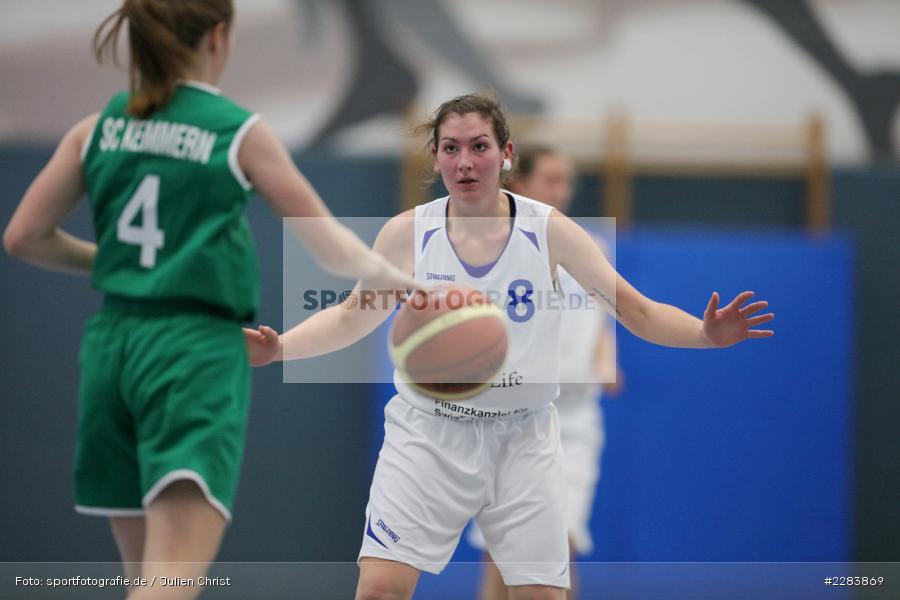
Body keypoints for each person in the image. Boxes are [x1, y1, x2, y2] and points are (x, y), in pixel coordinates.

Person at [246, 93, 774, 600]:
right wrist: (280, 349)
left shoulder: (550, 231)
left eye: (479, 145)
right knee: (381, 589)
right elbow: (349, 319)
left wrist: (705, 334)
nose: (466, 160)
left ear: (506, 154)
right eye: (451, 148)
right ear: (435, 158)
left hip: (523, 437)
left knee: (542, 593)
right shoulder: (408, 233)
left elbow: (637, 311)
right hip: (428, 433)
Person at [2, 1, 414, 599]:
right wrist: (406, 280)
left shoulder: (96, 127)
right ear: (219, 37)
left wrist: (114, 263)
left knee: (145, 579)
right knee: (172, 582)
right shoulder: (235, 128)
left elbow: (22, 237)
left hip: (112, 348)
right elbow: (332, 250)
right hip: (189, 352)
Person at [465, 146, 623, 600]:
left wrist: (606, 359)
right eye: (551, 179)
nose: (562, 190)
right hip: (505, 420)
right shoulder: (490, 247)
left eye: (567, 180)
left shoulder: (593, 245)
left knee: (558, 546)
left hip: (573, 423)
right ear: (519, 183)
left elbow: (604, 316)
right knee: (501, 553)